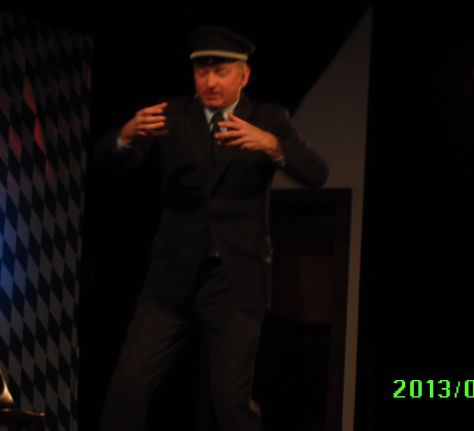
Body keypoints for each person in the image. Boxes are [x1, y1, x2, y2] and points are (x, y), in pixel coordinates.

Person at [96, 25, 328, 431]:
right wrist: (125, 137)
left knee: (230, 400)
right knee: (129, 384)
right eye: (202, 72)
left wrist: (272, 145)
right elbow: (109, 162)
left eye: (220, 72)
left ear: (244, 75)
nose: (210, 82)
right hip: (173, 275)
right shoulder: (173, 115)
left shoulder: (268, 117)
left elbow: (316, 172)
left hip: (234, 280)